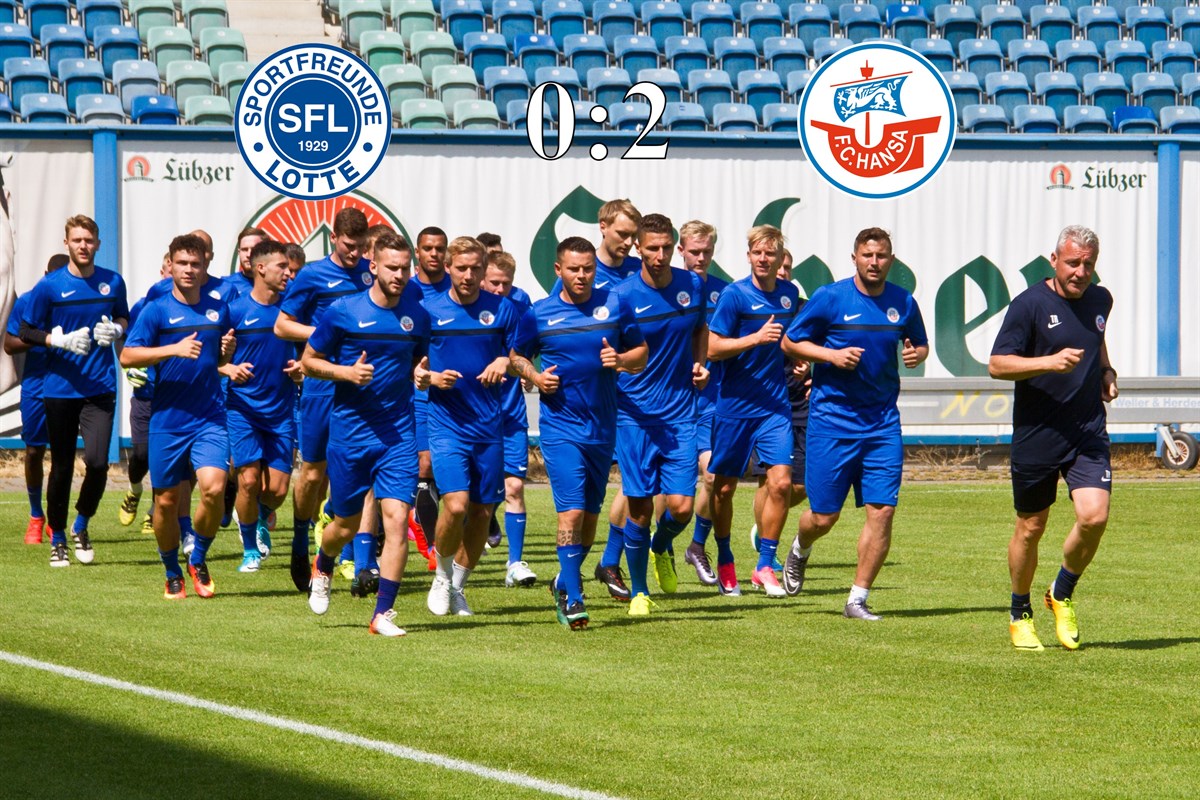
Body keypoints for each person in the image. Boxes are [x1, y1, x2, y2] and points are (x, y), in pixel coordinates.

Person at [782, 227, 929, 621]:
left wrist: (917, 353)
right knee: (824, 516)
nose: (874, 262)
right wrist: (830, 357)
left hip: (882, 424)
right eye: (867, 255)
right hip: (832, 422)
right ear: (854, 258)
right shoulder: (831, 298)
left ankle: (857, 599)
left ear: (891, 260)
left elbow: (918, 342)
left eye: (881, 256)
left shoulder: (903, 302)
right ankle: (800, 547)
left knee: (882, 511)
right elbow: (790, 343)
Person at [988, 225, 1116, 652]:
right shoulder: (1028, 306)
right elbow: (998, 364)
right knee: (1031, 528)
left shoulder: (1101, 298)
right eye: (1073, 263)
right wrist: (1049, 362)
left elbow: (1095, 339)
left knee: (1094, 517)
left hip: (1086, 430)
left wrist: (1106, 372)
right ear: (1054, 261)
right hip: (1038, 434)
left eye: (1088, 264)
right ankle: (1019, 611)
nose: (1081, 272)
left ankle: (1061, 592)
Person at [510, 236, 647, 630]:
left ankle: (564, 580)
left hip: (603, 427)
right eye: (574, 269)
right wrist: (535, 376)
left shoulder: (615, 304)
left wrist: (620, 359)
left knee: (590, 516)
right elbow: (516, 354)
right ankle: (573, 597)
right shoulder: (540, 314)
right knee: (569, 512)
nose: (582, 275)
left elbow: (641, 353)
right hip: (560, 429)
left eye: (587, 268)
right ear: (559, 271)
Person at [303, 232, 430, 637]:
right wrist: (345, 373)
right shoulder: (343, 312)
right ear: (372, 267)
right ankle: (322, 564)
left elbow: (417, 362)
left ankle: (382, 614)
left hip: (397, 437)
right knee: (344, 523)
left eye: (405, 268)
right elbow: (309, 361)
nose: (399, 274)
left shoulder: (417, 316)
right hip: (350, 436)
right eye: (392, 267)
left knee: (395, 520)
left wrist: (421, 375)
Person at [120, 234, 236, 599]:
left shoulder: (219, 309)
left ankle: (198, 556)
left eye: (195, 264)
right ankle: (172, 571)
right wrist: (173, 348)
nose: (188, 270)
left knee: (215, 488)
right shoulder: (155, 310)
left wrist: (225, 355)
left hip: (209, 417)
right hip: (167, 420)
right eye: (182, 263)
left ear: (205, 267)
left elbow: (214, 361)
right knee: (166, 504)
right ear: (170, 264)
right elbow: (128, 356)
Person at [18, 215, 129, 567]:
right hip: (60, 388)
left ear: (98, 243)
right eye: (77, 240)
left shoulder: (113, 282)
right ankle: (59, 538)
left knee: (98, 463)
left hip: (100, 387)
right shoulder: (50, 286)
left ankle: (82, 523)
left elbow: (125, 317)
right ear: (66, 243)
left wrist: (117, 328)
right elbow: (25, 330)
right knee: (62, 465)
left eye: (89, 240)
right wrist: (57, 340)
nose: (83, 246)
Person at [419, 237, 522, 616]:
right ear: (448, 267)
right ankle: (442, 577)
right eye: (461, 268)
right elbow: (411, 364)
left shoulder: (503, 309)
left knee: (481, 512)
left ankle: (458, 586)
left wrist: (505, 362)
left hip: (489, 427)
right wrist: (428, 376)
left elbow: (519, 355)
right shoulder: (428, 310)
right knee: (457, 504)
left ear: (484, 269)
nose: (468, 275)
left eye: (475, 268)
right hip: (447, 425)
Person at [612, 214, 708, 616]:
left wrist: (701, 362)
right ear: (639, 248)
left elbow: (701, 329)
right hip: (633, 416)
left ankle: (662, 545)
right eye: (652, 247)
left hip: (679, 414)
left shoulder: (693, 285)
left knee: (682, 507)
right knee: (639, 508)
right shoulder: (621, 295)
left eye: (667, 247)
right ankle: (638, 592)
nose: (661, 254)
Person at [274, 207, 372, 591]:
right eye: (349, 245)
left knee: (362, 470)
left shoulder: (370, 274)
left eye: (361, 246)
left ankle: (358, 562)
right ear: (334, 237)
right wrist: (326, 332)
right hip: (321, 386)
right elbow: (282, 325)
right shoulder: (313, 275)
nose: (355, 253)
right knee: (314, 472)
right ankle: (300, 542)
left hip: (362, 385)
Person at [705, 225, 799, 597]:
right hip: (734, 406)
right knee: (724, 488)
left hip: (774, 405)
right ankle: (726, 557)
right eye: (757, 253)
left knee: (780, 482)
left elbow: (792, 340)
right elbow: (712, 348)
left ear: (780, 259)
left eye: (770, 254)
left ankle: (764, 565)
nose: (764, 259)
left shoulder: (790, 295)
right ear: (749, 256)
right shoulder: (734, 295)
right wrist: (754, 339)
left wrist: (797, 359)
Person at [224, 240, 301, 573]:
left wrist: (303, 367)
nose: (288, 272)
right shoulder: (236, 310)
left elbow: (311, 350)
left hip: (282, 410)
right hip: (242, 408)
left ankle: (257, 514)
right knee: (249, 481)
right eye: (282, 267)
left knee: (278, 491)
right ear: (261, 269)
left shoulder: (292, 310)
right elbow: (210, 357)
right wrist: (226, 366)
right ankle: (250, 549)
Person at [748, 251, 810, 574]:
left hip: (800, 403)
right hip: (767, 404)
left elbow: (816, 346)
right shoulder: (750, 302)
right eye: (778, 266)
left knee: (803, 484)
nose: (781, 271)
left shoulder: (801, 306)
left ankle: (763, 529)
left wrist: (810, 368)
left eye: (787, 267)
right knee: (771, 482)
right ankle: (766, 554)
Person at [674, 221, 726, 586]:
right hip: (669, 406)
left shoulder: (725, 292)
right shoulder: (667, 289)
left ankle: (697, 545)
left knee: (712, 476)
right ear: (681, 250)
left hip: (710, 404)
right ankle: (657, 547)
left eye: (707, 251)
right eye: (695, 251)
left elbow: (730, 343)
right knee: (666, 500)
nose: (701, 258)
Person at [480, 251, 537, 587]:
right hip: (472, 416)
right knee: (474, 497)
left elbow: (525, 351)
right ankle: (454, 567)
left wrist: (523, 369)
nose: (500, 289)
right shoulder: (464, 314)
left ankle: (514, 564)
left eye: (506, 283)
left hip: (511, 412)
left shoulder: (518, 309)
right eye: (494, 282)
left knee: (514, 486)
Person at [4, 253, 68, 544]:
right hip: (35, 387)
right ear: (45, 274)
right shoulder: (29, 300)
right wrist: (44, 337)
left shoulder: (75, 301)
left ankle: (56, 519)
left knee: (62, 455)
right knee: (33, 451)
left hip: (68, 387)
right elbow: (9, 345)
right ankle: (35, 515)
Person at [117, 257, 172, 536]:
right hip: (145, 395)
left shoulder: (196, 307)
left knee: (164, 458)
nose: (175, 274)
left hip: (174, 397)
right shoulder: (144, 306)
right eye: (170, 269)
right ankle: (135, 489)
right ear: (162, 271)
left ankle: (154, 512)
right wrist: (129, 368)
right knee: (141, 454)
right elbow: (124, 341)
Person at [407, 227, 451, 565]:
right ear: (417, 252)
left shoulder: (457, 289)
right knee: (424, 464)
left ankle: (420, 517)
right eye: (427, 248)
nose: (433, 254)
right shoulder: (406, 290)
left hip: (453, 389)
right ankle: (431, 540)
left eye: (439, 248)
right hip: (413, 387)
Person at [229, 227, 267, 296]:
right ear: (239, 252)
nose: (249, 255)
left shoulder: (280, 286)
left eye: (254, 249)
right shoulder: (226, 284)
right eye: (244, 249)